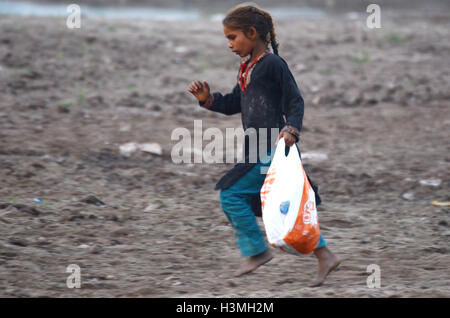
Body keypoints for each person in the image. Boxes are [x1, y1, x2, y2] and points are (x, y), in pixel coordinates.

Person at [188, 3, 340, 287]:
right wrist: (207, 100)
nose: (230, 44)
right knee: (282, 204)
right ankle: (326, 255)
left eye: (233, 37)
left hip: (273, 149)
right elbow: (235, 102)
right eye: (227, 39)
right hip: (258, 148)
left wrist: (292, 129)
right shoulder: (247, 67)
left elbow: (295, 100)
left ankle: (257, 252)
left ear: (252, 32)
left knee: (230, 195)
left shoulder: (273, 65)